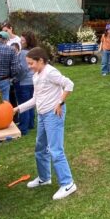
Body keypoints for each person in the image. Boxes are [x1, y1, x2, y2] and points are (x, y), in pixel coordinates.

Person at [14, 47, 77, 200]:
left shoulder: (50, 72)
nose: (29, 67)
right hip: (42, 115)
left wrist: (60, 103)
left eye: (31, 63)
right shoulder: (36, 75)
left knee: (55, 149)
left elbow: (69, 84)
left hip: (53, 115)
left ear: (41, 60)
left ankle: (68, 183)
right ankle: (44, 178)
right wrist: (17, 109)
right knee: (40, 148)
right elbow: (35, 99)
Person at [16, 32, 38, 135]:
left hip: (24, 82)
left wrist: (16, 79)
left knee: (23, 105)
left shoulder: (23, 53)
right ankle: (30, 124)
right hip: (33, 81)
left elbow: (22, 69)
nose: (20, 41)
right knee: (31, 103)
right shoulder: (34, 51)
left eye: (23, 40)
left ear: (28, 41)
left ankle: (23, 128)